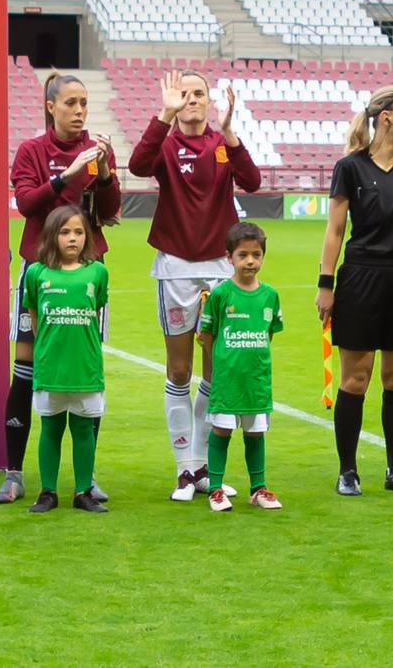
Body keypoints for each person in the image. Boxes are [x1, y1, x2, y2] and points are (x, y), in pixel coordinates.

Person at [127, 69, 254, 504]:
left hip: (220, 269)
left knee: (215, 371)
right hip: (177, 267)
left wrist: (232, 134)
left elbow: (253, 182)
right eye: (185, 94)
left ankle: (201, 467)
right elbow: (137, 166)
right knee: (179, 370)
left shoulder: (221, 145)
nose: (193, 100)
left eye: (199, 93)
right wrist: (163, 115)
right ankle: (182, 469)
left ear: (209, 101)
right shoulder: (165, 144)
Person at [13, 72, 132, 503]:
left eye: (84, 103)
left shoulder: (98, 149)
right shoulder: (31, 150)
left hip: (88, 267)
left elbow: (113, 209)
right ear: (50, 106)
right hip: (40, 268)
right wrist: (68, 175)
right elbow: (27, 204)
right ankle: (14, 471)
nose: (80, 111)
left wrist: (102, 176)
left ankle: (86, 478)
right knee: (26, 364)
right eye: (71, 103)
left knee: (86, 364)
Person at [324, 86, 393, 496]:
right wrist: (326, 284)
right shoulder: (350, 168)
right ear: (386, 117)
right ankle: (348, 471)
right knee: (356, 379)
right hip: (360, 279)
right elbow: (335, 231)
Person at [19, 205, 112, 513]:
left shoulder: (96, 272)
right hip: (50, 367)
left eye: (78, 232)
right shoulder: (36, 273)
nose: (72, 238)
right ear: (51, 236)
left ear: (87, 237)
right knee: (51, 427)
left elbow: (96, 311)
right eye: (65, 232)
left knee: (84, 429)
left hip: (85, 366)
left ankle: (83, 491)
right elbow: (34, 318)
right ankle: (48, 492)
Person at [198, 224, 285, 511]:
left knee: (256, 433)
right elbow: (206, 336)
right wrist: (223, 364)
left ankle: (258, 488)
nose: (250, 261)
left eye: (256, 255)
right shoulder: (221, 294)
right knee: (221, 431)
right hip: (228, 380)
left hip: (256, 380)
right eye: (243, 254)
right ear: (229, 258)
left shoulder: (270, 295)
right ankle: (215, 488)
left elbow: (268, 334)